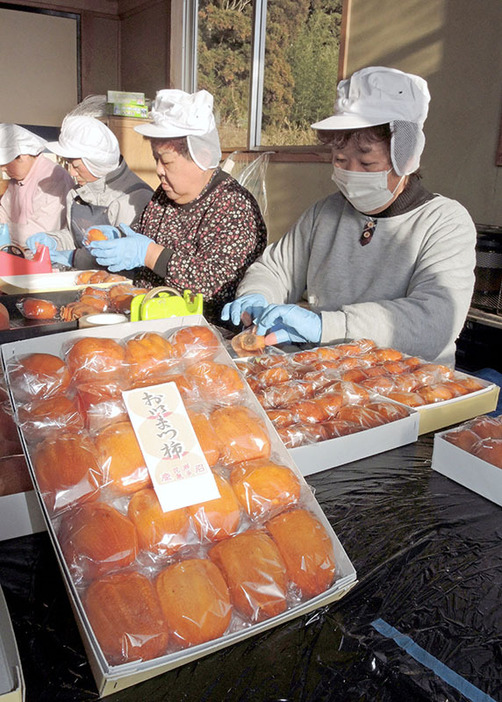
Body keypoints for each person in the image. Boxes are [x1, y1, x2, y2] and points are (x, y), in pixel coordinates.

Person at [222, 66, 476, 366]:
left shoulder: (444, 221)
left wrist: (327, 326)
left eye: (367, 163)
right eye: (341, 160)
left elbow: (434, 322)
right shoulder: (325, 213)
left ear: (406, 157)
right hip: (328, 378)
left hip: (409, 385)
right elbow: (275, 269)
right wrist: (258, 296)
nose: (351, 174)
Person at [87, 89, 267, 322]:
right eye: (156, 159)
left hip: (201, 333)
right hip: (148, 318)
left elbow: (215, 284)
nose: (159, 170)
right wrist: (119, 239)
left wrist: (150, 254)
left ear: (201, 157)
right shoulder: (163, 197)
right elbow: (143, 241)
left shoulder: (234, 207)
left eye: (167, 161)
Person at [25, 115, 153, 268]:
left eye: (77, 166)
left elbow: (123, 258)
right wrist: (53, 241)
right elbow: (74, 236)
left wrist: (74, 257)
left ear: (96, 164)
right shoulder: (77, 193)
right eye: (68, 164)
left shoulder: (134, 198)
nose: (71, 172)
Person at [0, 124, 74, 247]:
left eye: (6, 163)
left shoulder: (53, 178)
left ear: (23, 156)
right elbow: (3, 212)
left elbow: (38, 233)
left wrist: (5, 230)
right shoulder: (16, 179)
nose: (2, 169)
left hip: (46, 256)